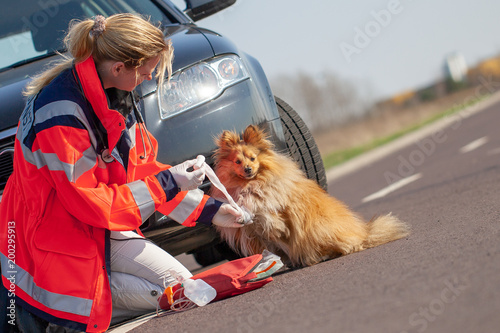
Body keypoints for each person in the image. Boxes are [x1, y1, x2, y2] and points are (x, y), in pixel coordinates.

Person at [0, 13, 245, 333]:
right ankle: (55, 318)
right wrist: (169, 182)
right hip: (47, 244)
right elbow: (90, 201)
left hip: (93, 227)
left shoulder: (115, 92)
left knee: (184, 284)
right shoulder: (60, 113)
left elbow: (139, 170)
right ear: (119, 67)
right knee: (181, 290)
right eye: (147, 72)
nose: (149, 78)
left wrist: (211, 210)